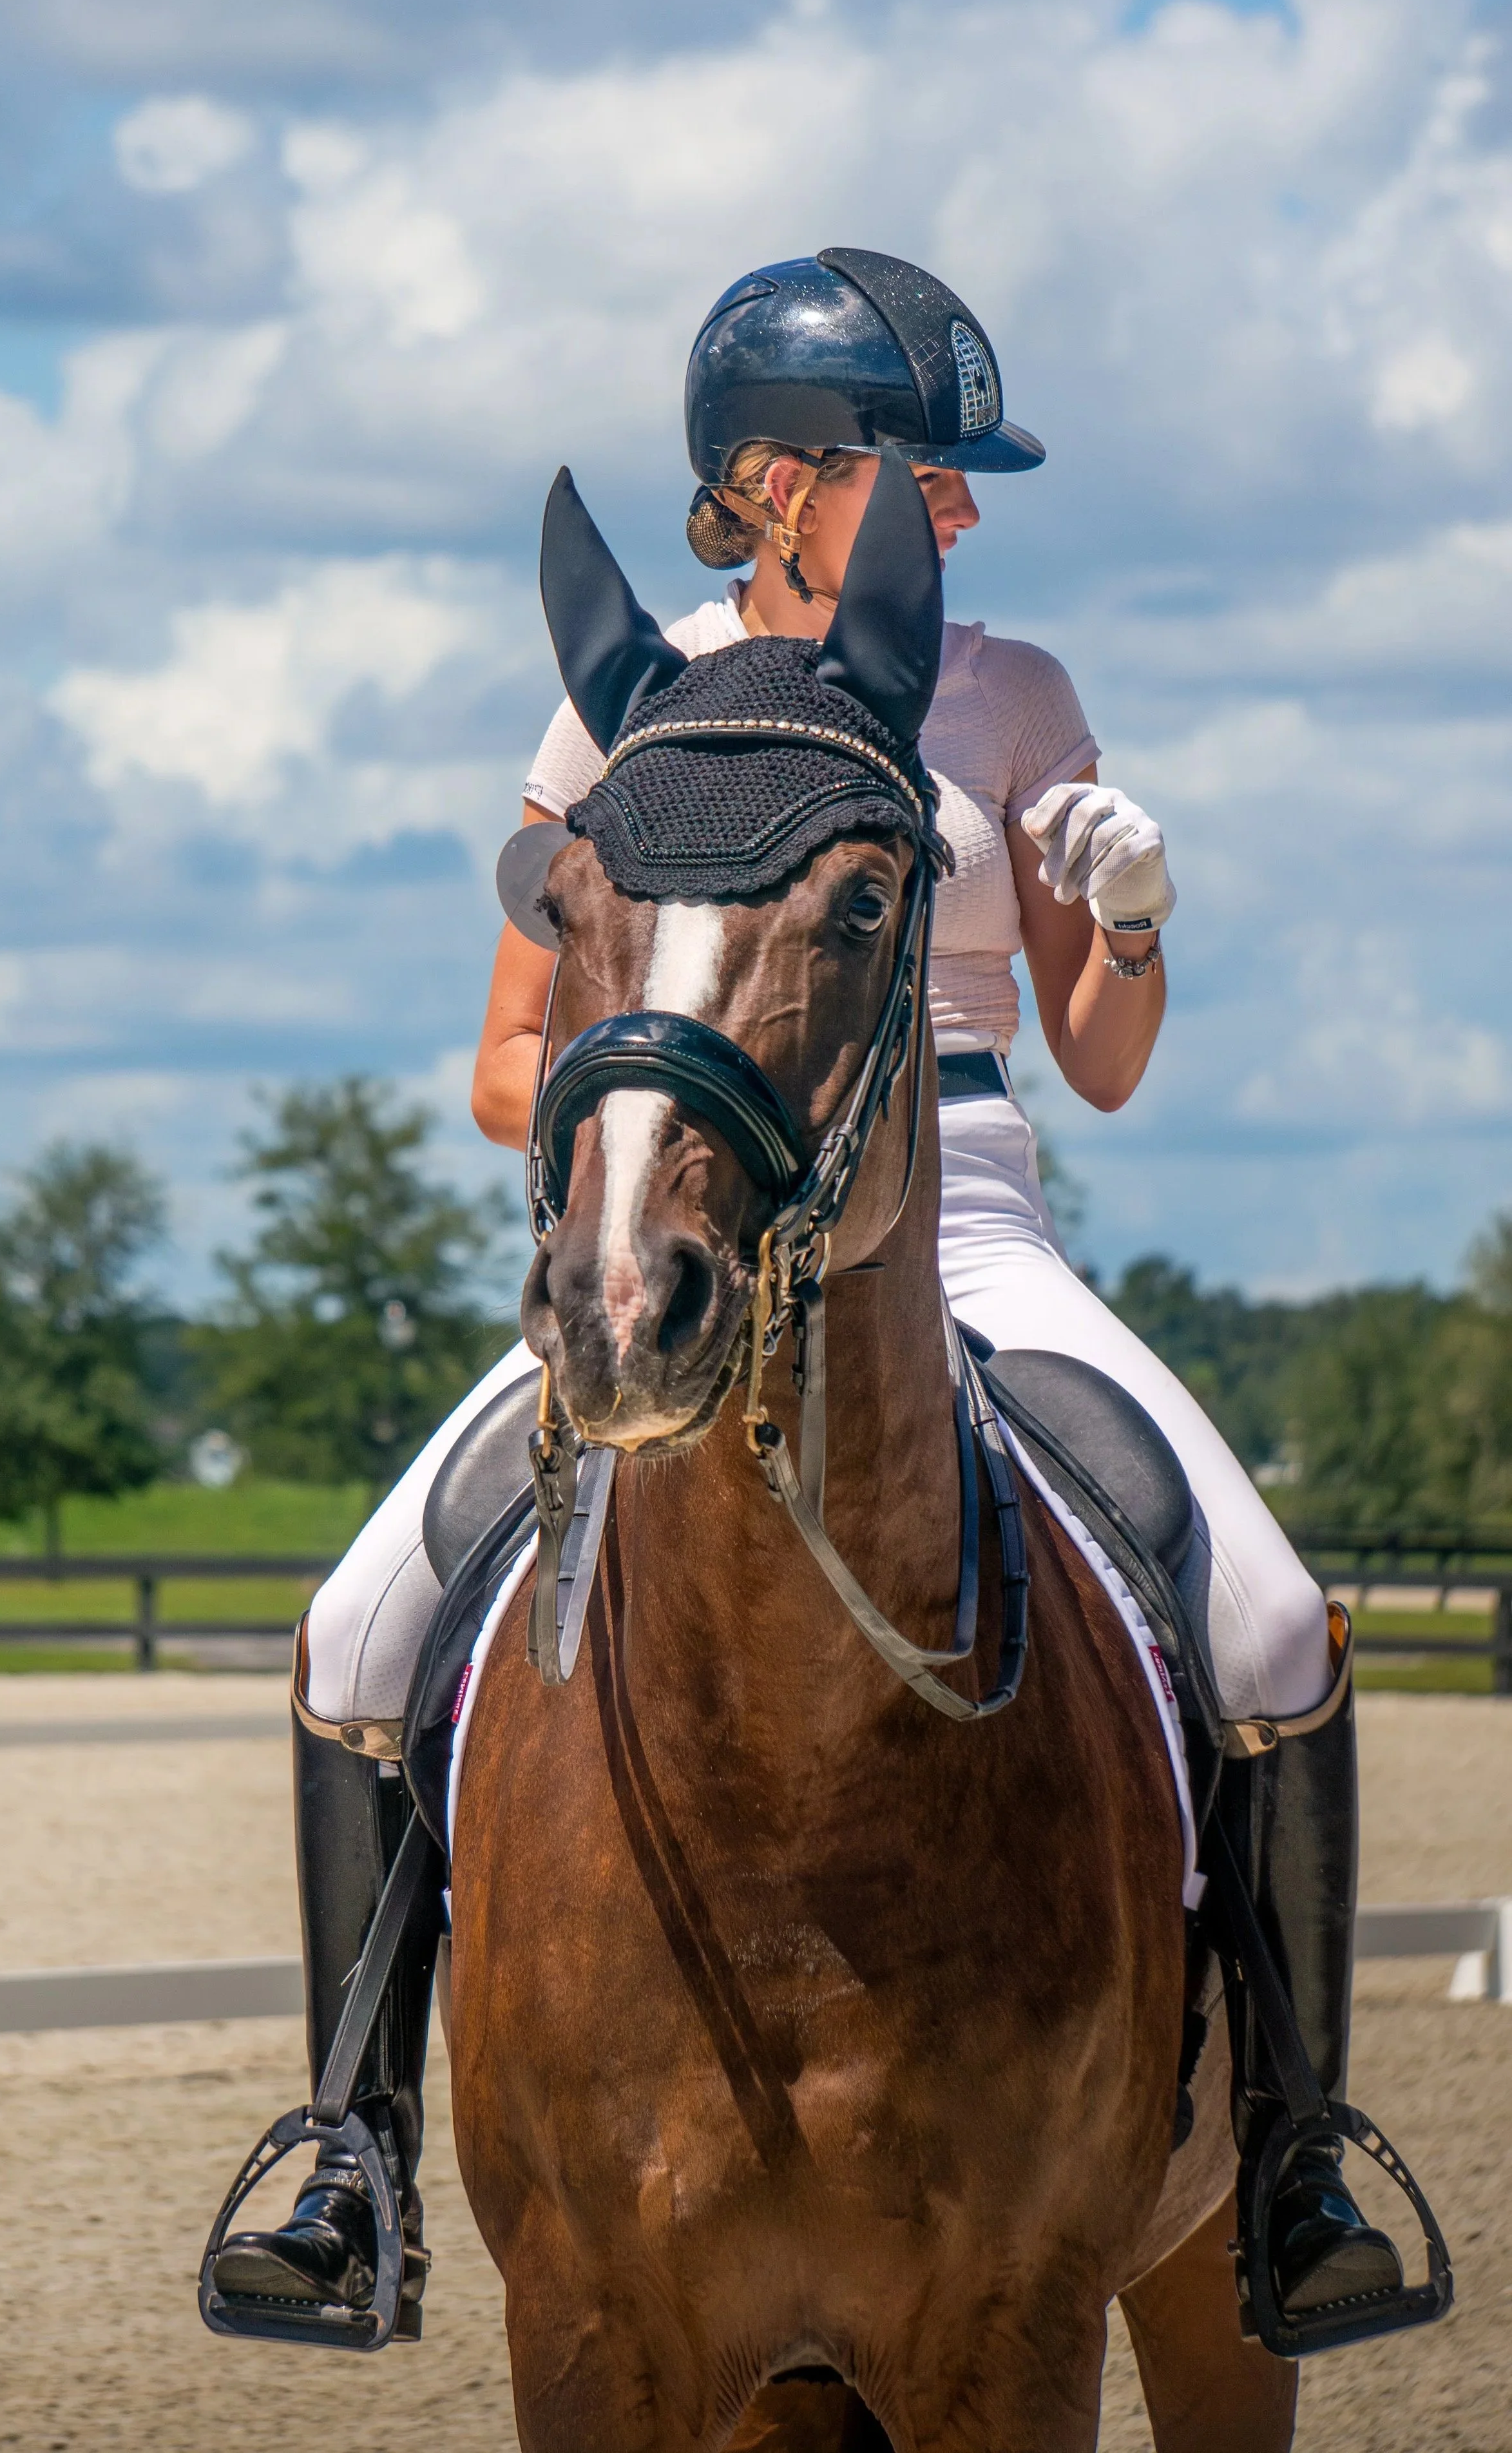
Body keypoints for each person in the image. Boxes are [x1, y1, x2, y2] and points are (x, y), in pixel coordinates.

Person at [214, 247, 1402, 2338]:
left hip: (963, 1217)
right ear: (772, 479)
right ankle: (350, 2145)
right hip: (692, 1197)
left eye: (958, 482)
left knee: (1271, 1615)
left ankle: (1295, 2150)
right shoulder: (628, 694)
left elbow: (1098, 1059)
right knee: (359, 1621)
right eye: (923, 471)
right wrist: (644, 1150)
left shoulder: (1013, 690)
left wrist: (1127, 924)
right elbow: (505, 1057)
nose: (959, 512)